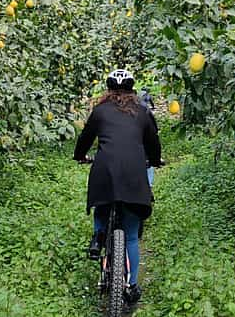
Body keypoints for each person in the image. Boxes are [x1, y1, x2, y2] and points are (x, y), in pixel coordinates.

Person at [74, 69, 163, 304]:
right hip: (134, 175)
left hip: (105, 171)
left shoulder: (100, 111)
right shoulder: (142, 112)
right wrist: (154, 161)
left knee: (103, 200)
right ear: (132, 90)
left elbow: (84, 139)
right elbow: (153, 143)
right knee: (132, 236)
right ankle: (131, 285)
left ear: (109, 90)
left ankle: (97, 237)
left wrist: (80, 156)